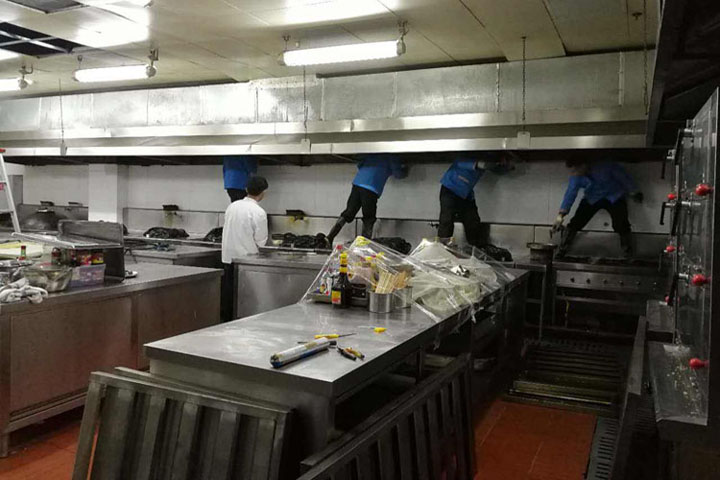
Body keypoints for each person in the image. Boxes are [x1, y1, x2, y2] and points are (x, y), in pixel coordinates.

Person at [553, 157, 643, 258]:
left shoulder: (606, 166)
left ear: (584, 165)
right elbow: (570, 193)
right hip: (592, 198)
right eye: (573, 171)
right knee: (576, 222)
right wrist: (560, 217)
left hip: (614, 196)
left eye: (576, 169)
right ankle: (562, 250)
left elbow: (623, 177)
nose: (575, 173)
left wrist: (634, 191)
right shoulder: (577, 176)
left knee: (621, 223)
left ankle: (628, 252)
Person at [326, 154, 408, 243]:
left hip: (357, 184)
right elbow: (398, 174)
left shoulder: (371, 153)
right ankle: (363, 244)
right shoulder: (392, 156)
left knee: (348, 212)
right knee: (369, 218)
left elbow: (359, 164)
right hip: (371, 188)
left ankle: (329, 238)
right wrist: (406, 169)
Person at [438, 156, 511, 252]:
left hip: (466, 193)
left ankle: (477, 248)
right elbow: (460, 162)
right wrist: (482, 164)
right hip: (450, 188)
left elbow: (494, 168)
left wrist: (505, 167)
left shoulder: (486, 159)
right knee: (447, 219)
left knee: (472, 220)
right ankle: (442, 249)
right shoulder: (468, 155)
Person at [220, 176, 269, 321]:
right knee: (243, 302)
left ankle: (225, 326)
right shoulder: (258, 212)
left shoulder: (232, 206)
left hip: (228, 259)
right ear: (263, 192)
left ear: (246, 189)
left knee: (228, 300)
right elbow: (261, 242)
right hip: (246, 263)